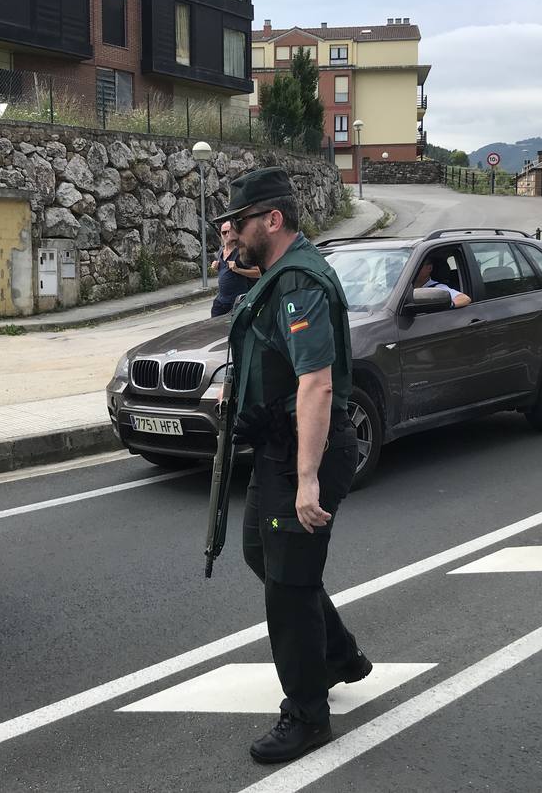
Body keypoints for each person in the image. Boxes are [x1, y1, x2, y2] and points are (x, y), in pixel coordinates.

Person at [216, 167, 371, 764]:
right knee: (263, 552)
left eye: (241, 221)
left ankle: (307, 714)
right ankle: (337, 654)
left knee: (288, 585)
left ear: (272, 220)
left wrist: (307, 480)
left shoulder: (301, 282)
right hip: (279, 444)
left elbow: (316, 384)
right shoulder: (279, 274)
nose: (233, 230)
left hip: (308, 449)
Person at [210, 220, 261, 317]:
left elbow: (258, 272)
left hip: (237, 302)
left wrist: (238, 270)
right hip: (221, 302)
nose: (227, 234)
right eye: (224, 232)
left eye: (229, 231)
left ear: (236, 232)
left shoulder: (242, 252)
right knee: (214, 329)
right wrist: (216, 267)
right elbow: (225, 272)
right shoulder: (221, 251)